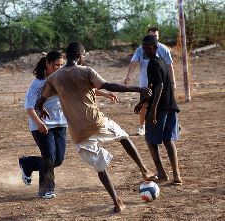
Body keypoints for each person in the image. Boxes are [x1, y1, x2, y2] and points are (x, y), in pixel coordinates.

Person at [36, 41, 155, 213]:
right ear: (79, 56)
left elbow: (40, 102)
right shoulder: (86, 71)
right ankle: (144, 169)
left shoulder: (54, 78)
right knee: (123, 136)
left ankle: (116, 202)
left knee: (101, 167)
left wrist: (42, 110)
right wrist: (138, 89)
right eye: (83, 55)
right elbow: (109, 85)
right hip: (97, 122)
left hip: (79, 134)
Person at [134, 35, 182, 186]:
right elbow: (153, 86)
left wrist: (152, 109)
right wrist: (142, 101)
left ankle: (161, 173)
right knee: (168, 140)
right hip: (171, 106)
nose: (145, 50)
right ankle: (176, 175)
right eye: (143, 47)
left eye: (148, 48)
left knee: (150, 139)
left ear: (155, 48)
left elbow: (159, 86)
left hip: (160, 108)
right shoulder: (161, 61)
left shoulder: (153, 63)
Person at [20, 50, 67, 199]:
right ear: (48, 63)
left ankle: (28, 163)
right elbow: (29, 107)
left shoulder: (62, 79)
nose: (58, 68)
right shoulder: (38, 83)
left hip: (60, 123)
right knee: (48, 157)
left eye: (61, 65)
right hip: (40, 124)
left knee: (57, 159)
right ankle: (46, 189)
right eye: (56, 65)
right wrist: (39, 123)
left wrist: (104, 93)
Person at [124, 27, 176, 136]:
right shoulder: (141, 49)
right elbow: (134, 61)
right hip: (145, 83)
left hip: (160, 84)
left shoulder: (163, 49)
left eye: (155, 36)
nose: (154, 37)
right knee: (145, 105)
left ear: (158, 37)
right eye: (152, 35)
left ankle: (171, 125)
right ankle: (142, 126)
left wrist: (173, 82)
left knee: (163, 104)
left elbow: (169, 65)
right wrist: (128, 75)